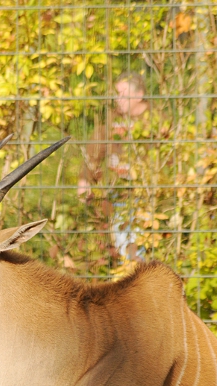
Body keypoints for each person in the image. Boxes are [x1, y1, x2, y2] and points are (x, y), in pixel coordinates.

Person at [78, 72, 149, 261]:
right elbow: (93, 152)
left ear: (139, 94)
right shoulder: (112, 119)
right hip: (118, 197)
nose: (118, 99)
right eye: (117, 94)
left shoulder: (156, 121)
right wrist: (85, 179)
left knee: (141, 252)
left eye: (123, 94)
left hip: (148, 197)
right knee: (121, 252)